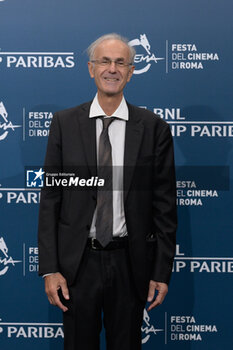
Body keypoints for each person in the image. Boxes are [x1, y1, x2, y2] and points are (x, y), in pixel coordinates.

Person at [38, 33, 177, 350]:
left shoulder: (154, 127)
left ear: (130, 71)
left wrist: (161, 271)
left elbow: (165, 206)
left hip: (130, 264)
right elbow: (50, 200)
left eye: (120, 62)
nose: (112, 69)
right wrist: (50, 269)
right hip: (77, 266)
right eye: (104, 61)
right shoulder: (64, 123)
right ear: (91, 68)